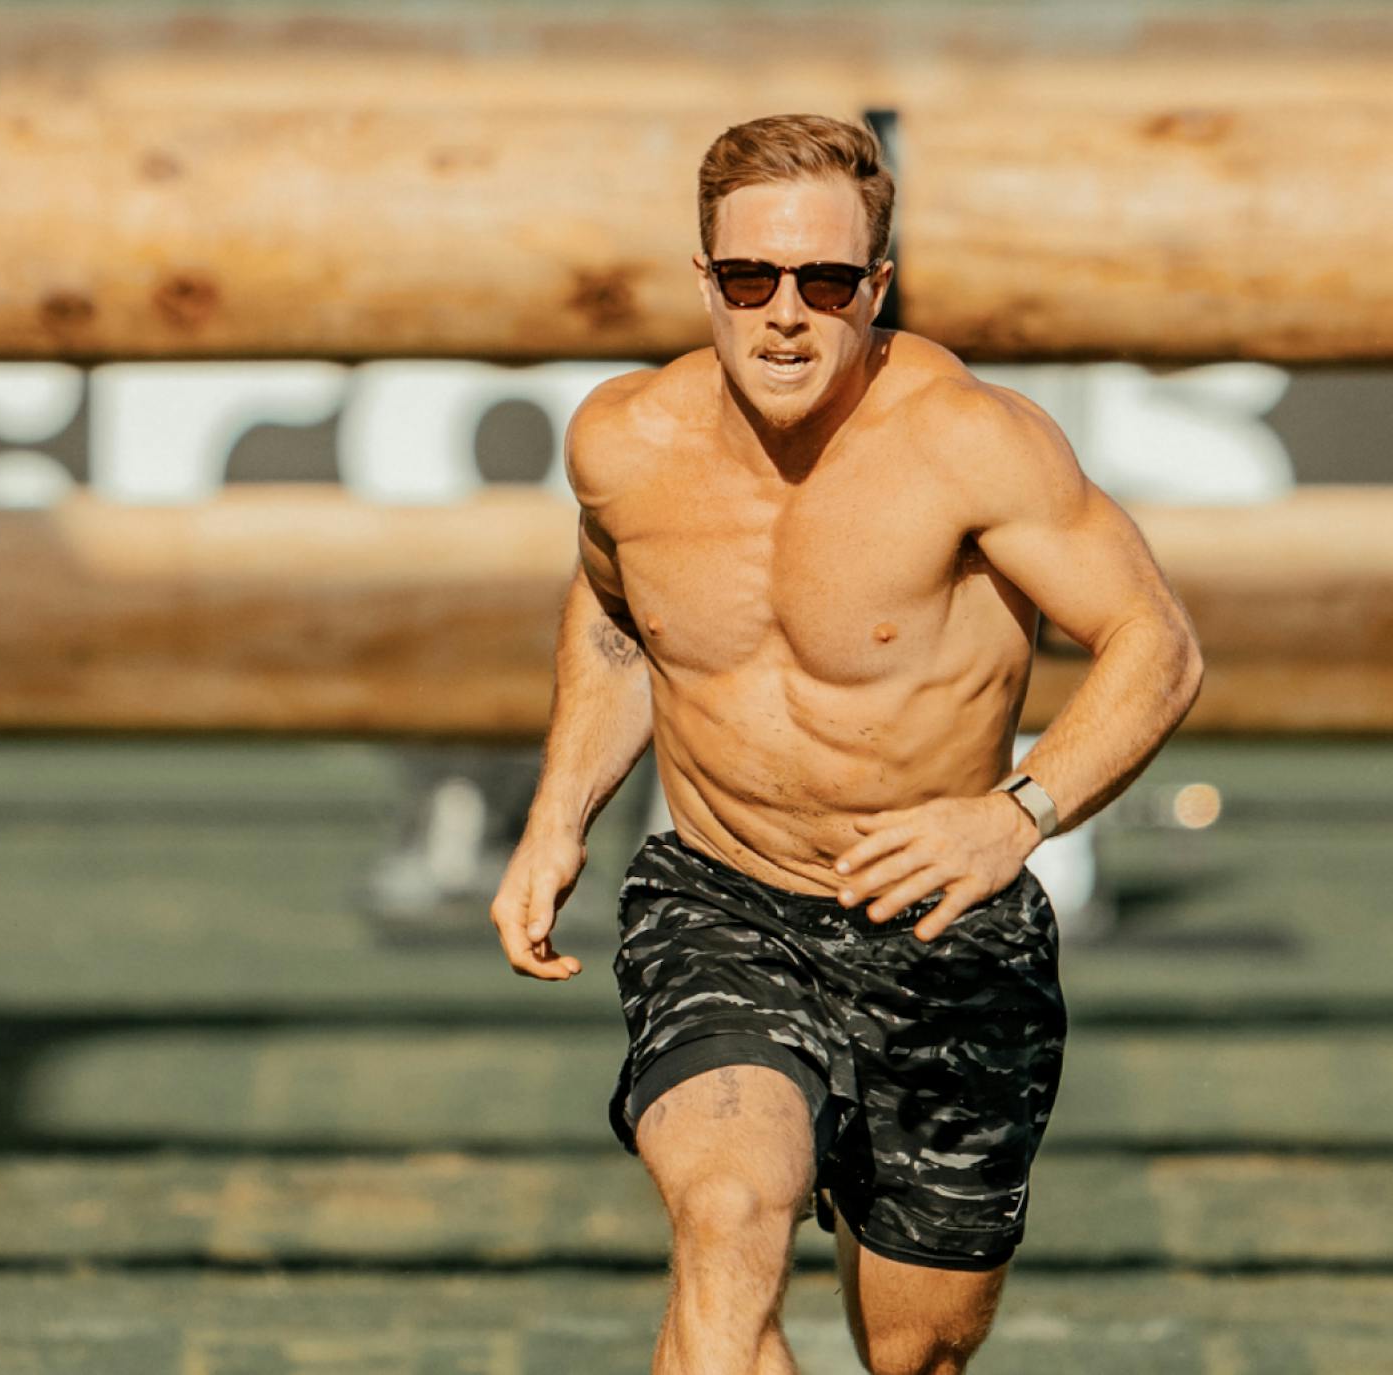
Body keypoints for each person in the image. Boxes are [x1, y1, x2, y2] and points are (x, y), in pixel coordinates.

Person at [488, 113, 1204, 1375]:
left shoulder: (971, 441)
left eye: (823, 282)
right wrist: (557, 817)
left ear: (875, 285)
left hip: (941, 927)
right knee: (727, 1213)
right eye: (749, 279)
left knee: (916, 1351)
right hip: (722, 900)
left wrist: (1016, 814)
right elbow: (613, 616)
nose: (784, 317)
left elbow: (1156, 643)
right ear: (704, 279)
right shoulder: (624, 440)